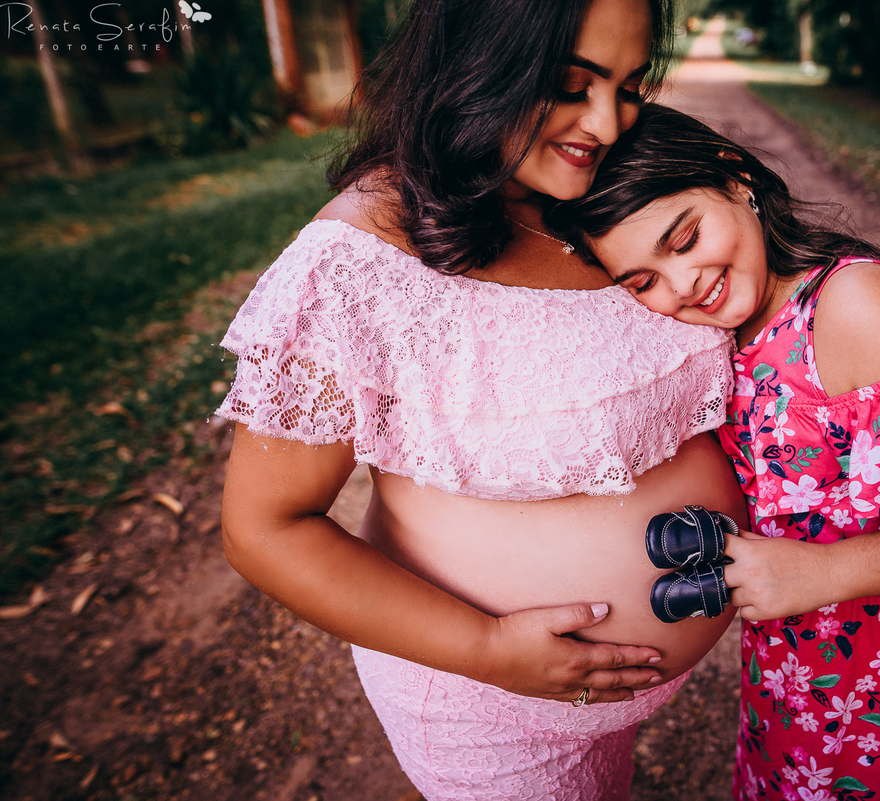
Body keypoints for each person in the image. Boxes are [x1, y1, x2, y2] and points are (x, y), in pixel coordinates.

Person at [216, 5, 748, 800]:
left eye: (630, 85)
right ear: (477, 62)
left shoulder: (603, 197)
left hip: (614, 689)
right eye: (573, 84)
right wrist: (487, 646)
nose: (606, 124)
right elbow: (264, 529)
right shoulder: (361, 261)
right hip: (491, 711)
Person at [546, 104, 880, 800]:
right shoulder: (729, 329)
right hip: (801, 671)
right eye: (643, 281)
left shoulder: (855, 306)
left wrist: (823, 574)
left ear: (737, 178)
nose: (681, 286)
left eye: (684, 238)